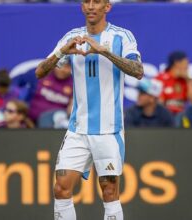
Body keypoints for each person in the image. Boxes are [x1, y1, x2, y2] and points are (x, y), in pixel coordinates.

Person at [35, 0, 144, 219]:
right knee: (61, 188)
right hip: (78, 129)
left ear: (107, 7)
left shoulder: (122, 37)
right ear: (81, 6)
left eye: (97, 2)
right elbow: (40, 71)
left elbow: (138, 70)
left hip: (109, 130)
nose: (91, 6)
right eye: (87, 1)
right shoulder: (71, 37)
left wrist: (105, 52)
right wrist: (61, 53)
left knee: (109, 191)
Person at [156, 51, 192, 115]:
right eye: (185, 63)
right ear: (177, 63)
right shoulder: (161, 79)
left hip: (181, 116)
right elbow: (158, 103)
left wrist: (189, 82)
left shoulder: (186, 81)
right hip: (165, 116)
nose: (187, 67)